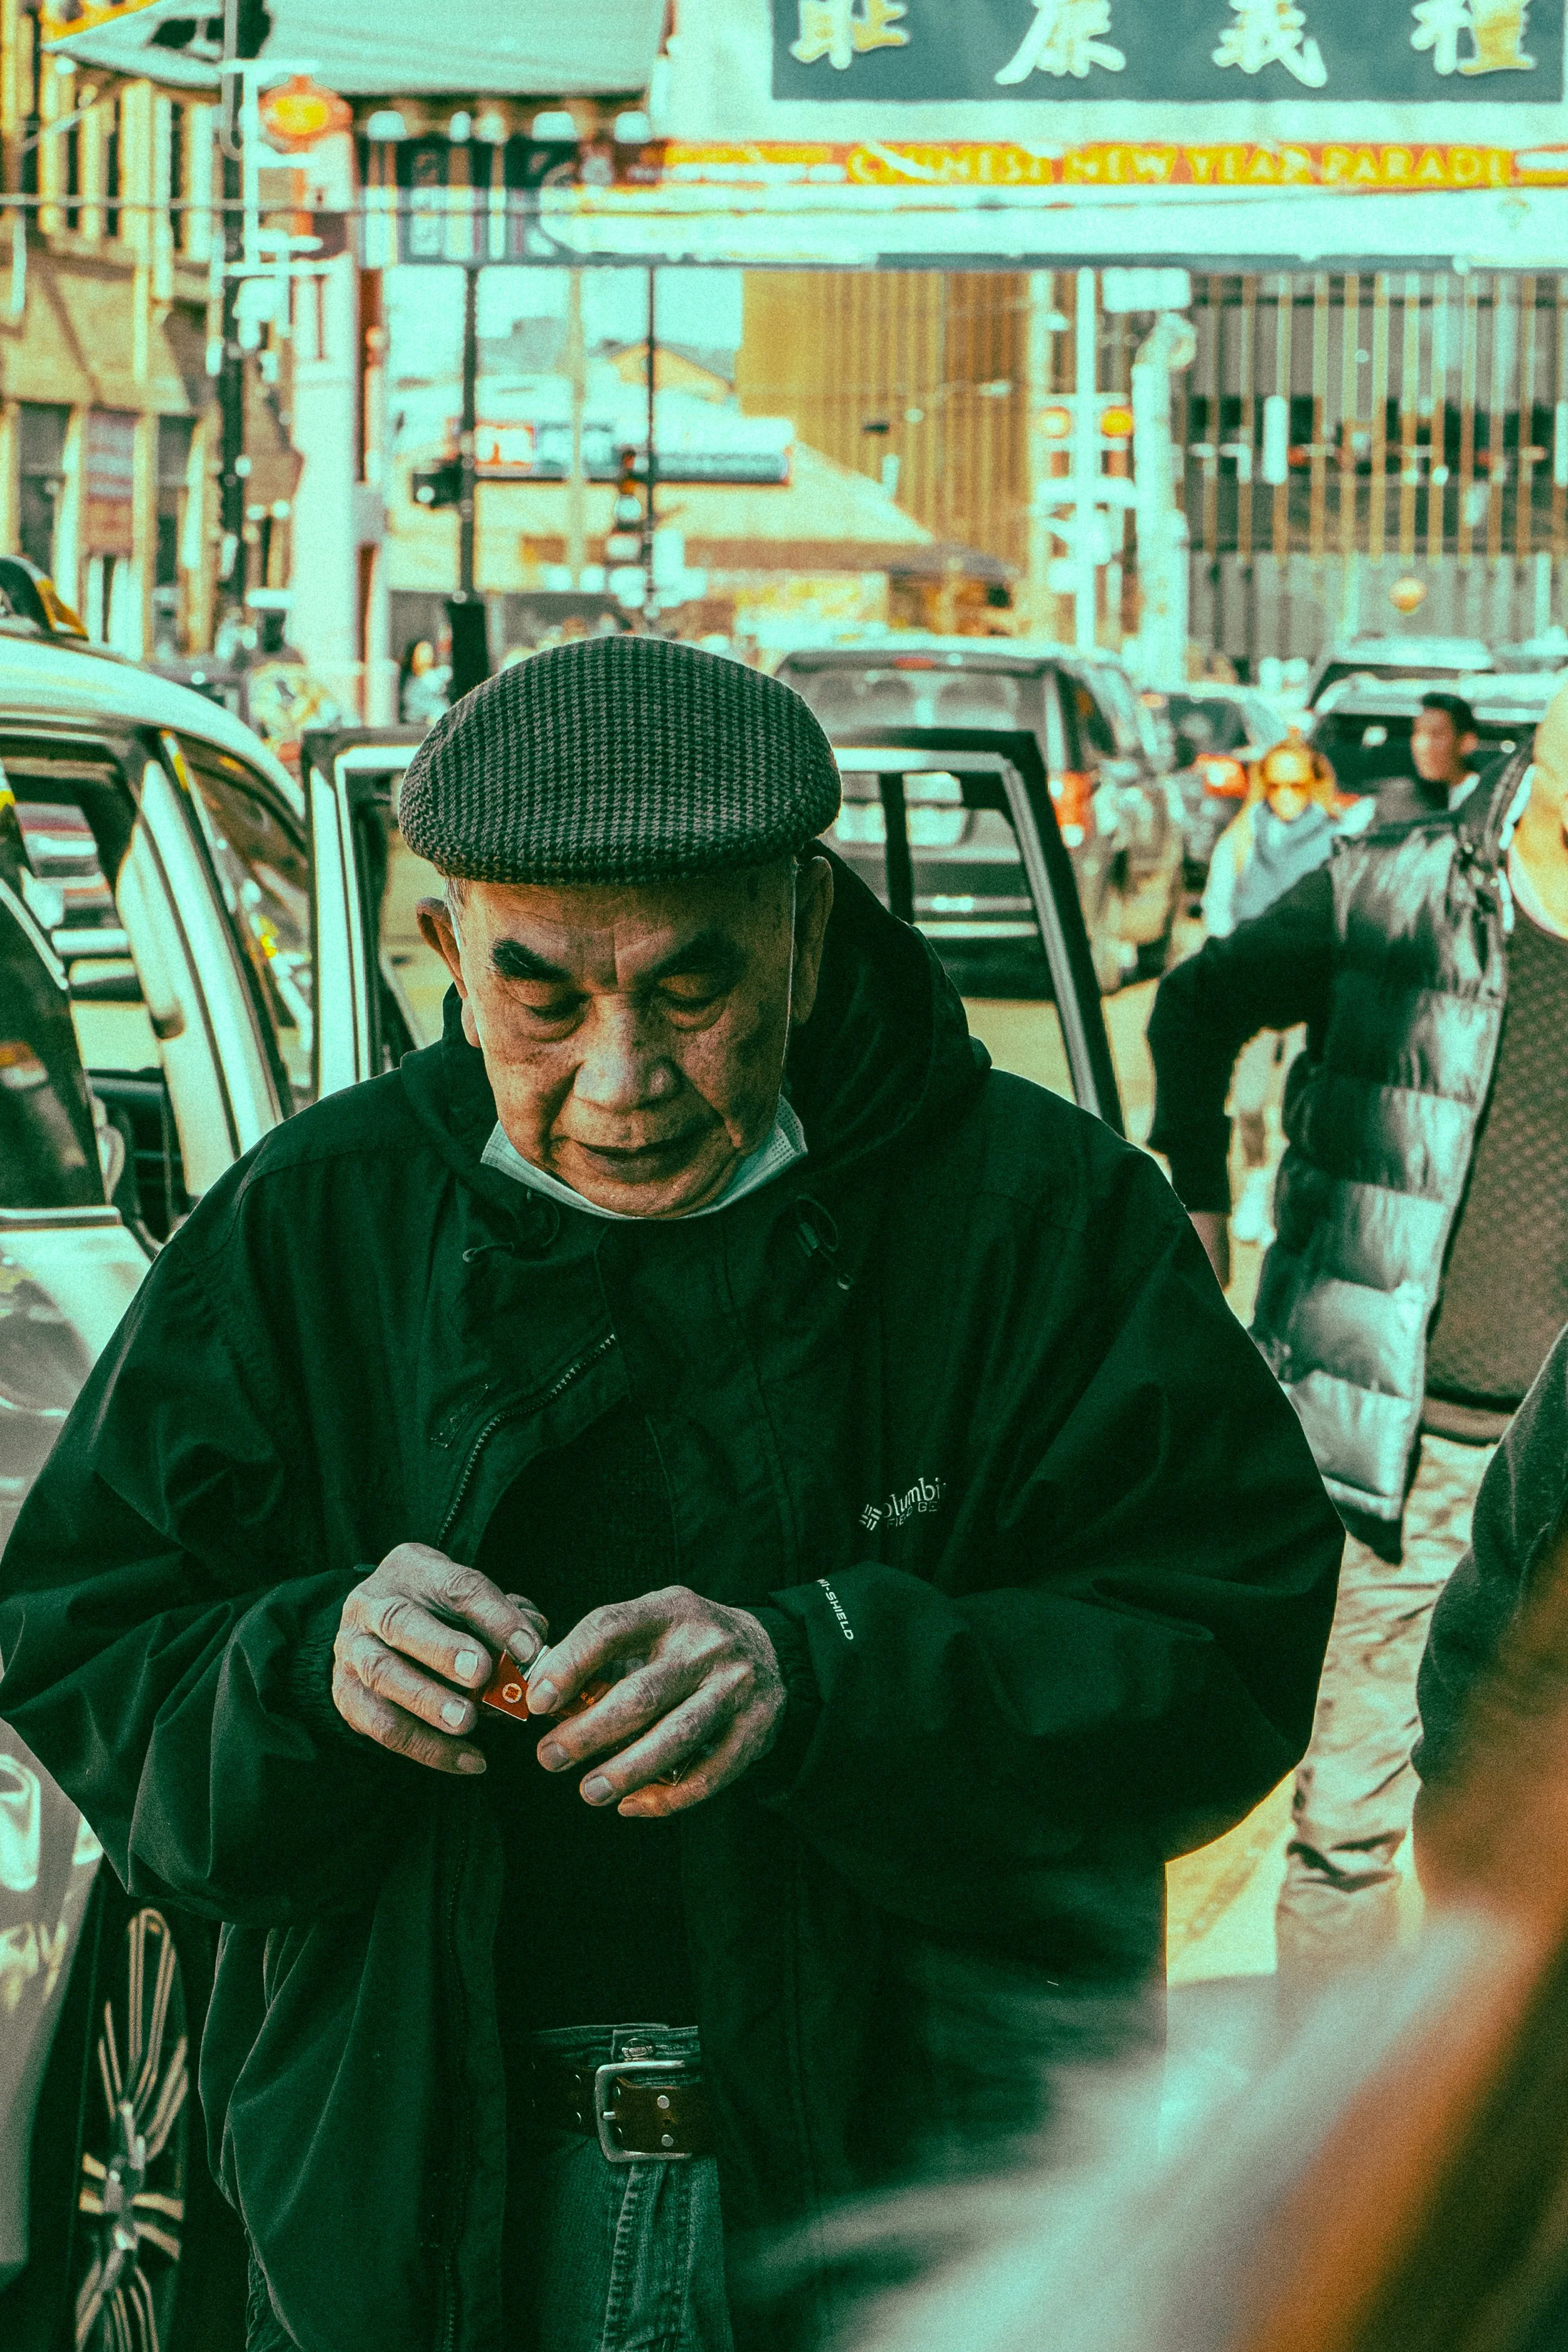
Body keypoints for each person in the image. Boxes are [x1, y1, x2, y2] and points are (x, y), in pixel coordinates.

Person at [0, 638, 1342, 2352]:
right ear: (445, 950)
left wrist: (829, 1670)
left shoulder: (1038, 1217)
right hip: (415, 2220)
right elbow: (93, 1637)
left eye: (692, 988)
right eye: (541, 996)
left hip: (915, 2215)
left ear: (805, 925)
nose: (619, 1078)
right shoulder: (315, 1226)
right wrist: (304, 1663)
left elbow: (1217, 1647)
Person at [1148, 675, 1568, 1979]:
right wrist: (1201, 1203)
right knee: (1349, 1822)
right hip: (1402, 1450)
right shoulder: (1388, 888)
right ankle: (1328, 2132)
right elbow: (1191, 1005)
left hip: (1554, 1456)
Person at [1199, 731, 1341, 1249]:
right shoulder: (1241, 836)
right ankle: (1256, 1178)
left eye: (1296, 784)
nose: (1285, 794)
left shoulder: (1335, 840)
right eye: (1275, 784)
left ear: (1314, 785)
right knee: (1251, 1100)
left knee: (1301, 1101)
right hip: (1251, 988)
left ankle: (1285, 1198)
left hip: (1311, 991)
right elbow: (1217, 907)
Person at [1375, 690, 1484, 827]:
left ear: (1467, 742)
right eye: (1418, 732)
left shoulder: (1484, 798)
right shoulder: (1403, 798)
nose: (1423, 746)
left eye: (1436, 735)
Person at [399, 633, 451, 728]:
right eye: (422, 651)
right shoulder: (412, 685)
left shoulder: (441, 675)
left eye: (428, 650)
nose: (427, 654)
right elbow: (412, 708)